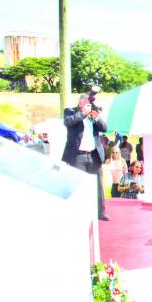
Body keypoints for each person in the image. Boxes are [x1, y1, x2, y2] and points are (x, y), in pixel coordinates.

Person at [61, 93, 109, 221]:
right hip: (78, 156)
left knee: (98, 185)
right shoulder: (70, 111)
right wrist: (83, 113)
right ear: (81, 102)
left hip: (94, 155)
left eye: (91, 103)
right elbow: (67, 122)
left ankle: (100, 212)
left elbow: (104, 128)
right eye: (88, 103)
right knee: (78, 185)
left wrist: (97, 117)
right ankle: (78, 212)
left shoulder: (92, 114)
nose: (90, 105)